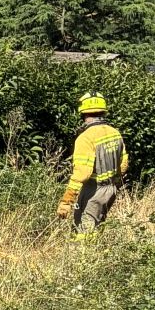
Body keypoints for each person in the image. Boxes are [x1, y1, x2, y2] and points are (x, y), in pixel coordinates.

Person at [58, 92, 129, 239]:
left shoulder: (85, 138)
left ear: (83, 113)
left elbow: (82, 174)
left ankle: (82, 253)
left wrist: (66, 201)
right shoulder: (115, 133)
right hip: (110, 189)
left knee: (83, 232)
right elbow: (123, 164)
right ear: (103, 112)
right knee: (97, 227)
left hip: (93, 190)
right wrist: (114, 183)